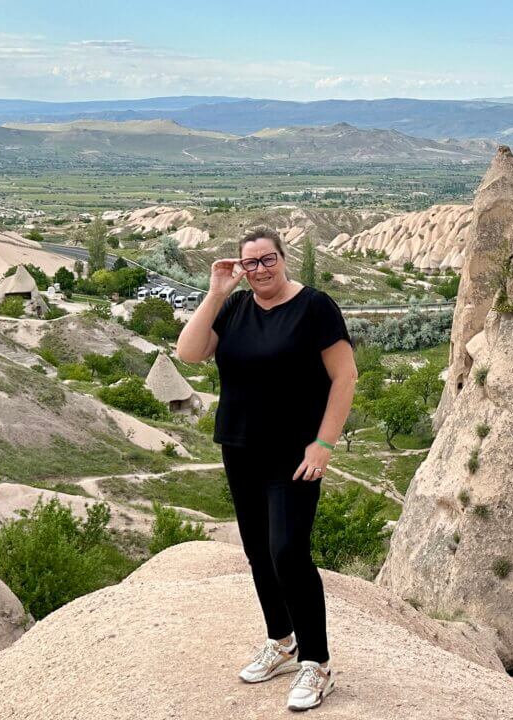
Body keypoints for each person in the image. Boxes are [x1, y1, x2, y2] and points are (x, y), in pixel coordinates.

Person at [176, 227, 357, 711]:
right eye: (250, 263)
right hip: (240, 448)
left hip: (295, 454)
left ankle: (317, 664)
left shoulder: (315, 306)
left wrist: (323, 444)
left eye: (267, 259)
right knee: (257, 552)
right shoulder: (232, 308)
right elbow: (188, 353)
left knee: (288, 552)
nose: (260, 269)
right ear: (240, 268)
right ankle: (282, 640)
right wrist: (215, 293)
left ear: (283, 257)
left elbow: (345, 377)